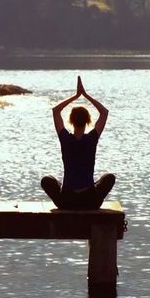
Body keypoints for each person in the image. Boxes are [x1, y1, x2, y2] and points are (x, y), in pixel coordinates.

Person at [41, 76, 116, 211]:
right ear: (88, 121)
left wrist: (75, 96)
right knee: (109, 178)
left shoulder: (65, 138)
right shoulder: (91, 139)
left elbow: (55, 111)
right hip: (90, 201)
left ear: (70, 121)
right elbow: (104, 113)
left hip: (67, 201)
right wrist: (85, 95)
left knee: (47, 180)